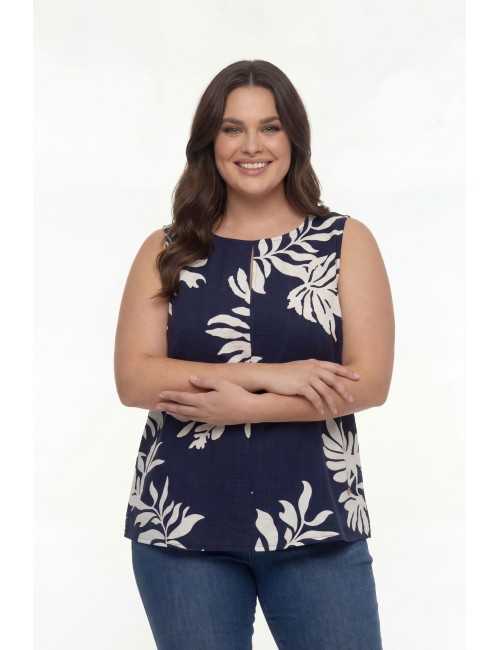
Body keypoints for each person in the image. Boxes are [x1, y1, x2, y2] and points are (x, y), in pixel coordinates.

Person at [114, 59, 394, 650]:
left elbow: (369, 382)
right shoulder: (166, 250)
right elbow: (136, 378)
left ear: (294, 138)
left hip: (317, 520)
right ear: (209, 142)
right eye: (232, 129)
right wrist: (278, 376)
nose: (251, 146)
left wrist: (246, 407)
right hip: (181, 528)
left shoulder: (344, 243)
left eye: (269, 127)